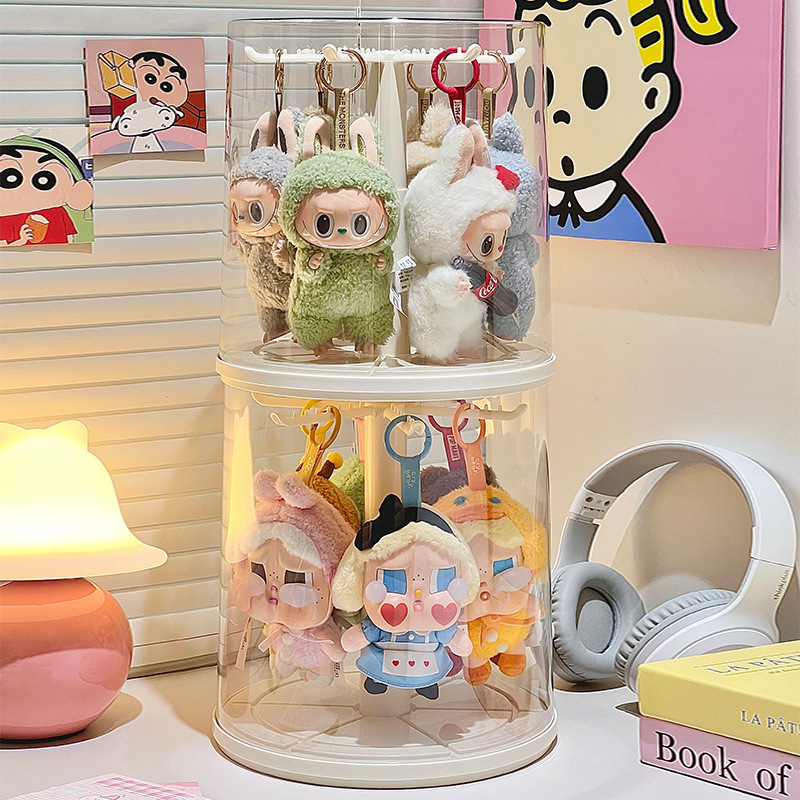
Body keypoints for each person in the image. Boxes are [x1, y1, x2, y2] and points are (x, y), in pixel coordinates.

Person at [515, 0, 737, 243]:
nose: (560, 113)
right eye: (537, 86)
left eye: (594, 90)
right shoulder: (518, 209)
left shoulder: (631, 222)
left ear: (653, 96)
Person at [0, 135, 93, 246]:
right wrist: (21, 241)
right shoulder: (5, 220)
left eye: (45, 180)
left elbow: (70, 239)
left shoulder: (59, 213)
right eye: (9, 178)